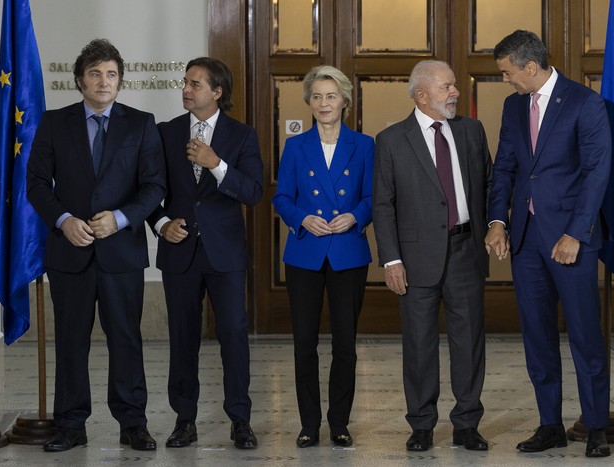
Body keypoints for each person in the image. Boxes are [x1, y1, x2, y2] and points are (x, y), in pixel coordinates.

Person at [26, 39, 166, 452]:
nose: (104, 82)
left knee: (126, 338)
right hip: (70, 252)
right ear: (80, 81)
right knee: (71, 341)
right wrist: (64, 220)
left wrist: (120, 218)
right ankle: (70, 425)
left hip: (121, 252)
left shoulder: (141, 124)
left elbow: (154, 185)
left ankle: (132, 424)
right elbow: (36, 184)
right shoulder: (55, 122)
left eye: (111, 74)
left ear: (120, 81)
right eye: (95, 74)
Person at [485, 30, 612, 458]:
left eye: (507, 72)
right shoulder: (513, 106)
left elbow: (597, 174)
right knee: (537, 337)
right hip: (525, 242)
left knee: (584, 337)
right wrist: (498, 220)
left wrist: (575, 233)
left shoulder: (585, 103)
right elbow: (504, 167)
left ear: (531, 67)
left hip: (570, 241)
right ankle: (550, 425)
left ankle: (596, 427)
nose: (505, 80)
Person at [373, 60, 492, 452]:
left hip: (465, 251)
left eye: (454, 85)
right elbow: (383, 205)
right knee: (420, 345)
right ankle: (422, 425)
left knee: (469, 341)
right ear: (422, 95)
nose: (455, 92)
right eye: (447, 87)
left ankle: (467, 424)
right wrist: (391, 260)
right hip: (415, 258)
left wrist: (496, 224)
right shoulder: (391, 140)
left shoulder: (471, 130)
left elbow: (489, 184)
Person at [147, 57, 263, 450]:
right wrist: (163, 223)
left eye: (195, 84)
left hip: (225, 253)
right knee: (182, 338)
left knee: (233, 334)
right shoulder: (165, 133)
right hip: (179, 252)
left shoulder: (242, 136)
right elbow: (148, 191)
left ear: (217, 92)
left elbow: (253, 192)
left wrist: (217, 166)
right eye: (185, 82)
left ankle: (241, 420)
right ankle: (184, 420)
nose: (186, 89)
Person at [272, 65, 374, 448]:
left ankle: (340, 423)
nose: (324, 103)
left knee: (345, 343)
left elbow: (372, 198)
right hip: (305, 253)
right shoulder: (296, 146)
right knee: (305, 343)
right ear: (309, 103)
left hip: (348, 252)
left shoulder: (364, 145)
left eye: (331, 96)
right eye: (317, 96)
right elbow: (281, 198)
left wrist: (356, 215)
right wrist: (302, 218)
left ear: (345, 100)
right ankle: (309, 424)